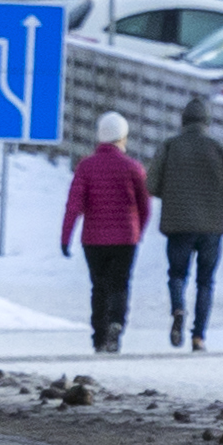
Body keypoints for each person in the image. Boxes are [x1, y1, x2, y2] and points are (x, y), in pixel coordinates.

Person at [150, 93, 223, 349]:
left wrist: (173, 192)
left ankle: (178, 310)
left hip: (178, 225)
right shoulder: (221, 149)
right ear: (207, 122)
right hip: (211, 227)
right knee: (206, 282)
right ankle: (199, 336)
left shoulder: (169, 146)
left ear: (183, 121)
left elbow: (151, 184)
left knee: (177, 274)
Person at [58, 105, 153, 354]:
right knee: (120, 284)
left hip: (94, 239)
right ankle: (116, 325)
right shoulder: (133, 167)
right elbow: (145, 206)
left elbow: (74, 205)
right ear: (122, 137)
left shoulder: (86, 167)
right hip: (125, 238)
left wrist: (66, 237)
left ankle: (99, 335)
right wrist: (137, 232)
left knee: (98, 286)